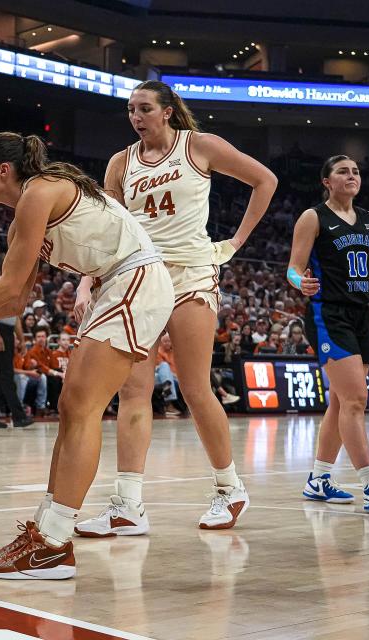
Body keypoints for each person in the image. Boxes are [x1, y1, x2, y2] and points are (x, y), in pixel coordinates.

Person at [0, 131, 173, 579]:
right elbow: (13, 302)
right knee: (70, 407)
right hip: (117, 285)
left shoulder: (39, 193)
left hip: (135, 279)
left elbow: (6, 290)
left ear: (3, 171)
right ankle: (46, 533)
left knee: (81, 406)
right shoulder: (22, 215)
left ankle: (54, 543)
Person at [74, 80, 277, 536]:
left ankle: (230, 487)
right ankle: (128, 505)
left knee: (194, 386)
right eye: (130, 110)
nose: (136, 117)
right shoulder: (120, 163)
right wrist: (88, 281)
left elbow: (266, 180)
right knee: (132, 391)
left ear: (167, 112)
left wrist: (237, 242)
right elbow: (107, 230)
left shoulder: (199, 146)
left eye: (144, 108)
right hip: (139, 276)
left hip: (191, 274)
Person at [288, 154, 369, 512]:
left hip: (362, 315)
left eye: (356, 171)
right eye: (343, 171)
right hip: (327, 314)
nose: (352, 176)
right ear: (326, 182)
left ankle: (319, 478)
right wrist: (302, 284)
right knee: (356, 400)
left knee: (341, 400)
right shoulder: (313, 217)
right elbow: (293, 269)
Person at [0, 317, 33, 429]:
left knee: (1, 377)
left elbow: (16, 318)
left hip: (8, 331)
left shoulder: (17, 299)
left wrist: (22, 340)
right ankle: (19, 416)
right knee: (6, 376)